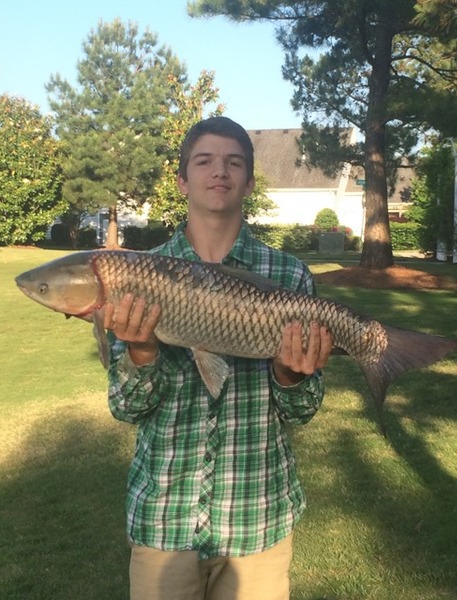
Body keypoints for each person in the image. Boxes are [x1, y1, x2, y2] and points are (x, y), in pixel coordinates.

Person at [103, 116, 333, 600]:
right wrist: (142, 350)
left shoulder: (289, 276)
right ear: (182, 180)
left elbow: (303, 411)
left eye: (234, 163)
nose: (219, 172)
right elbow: (126, 408)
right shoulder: (138, 275)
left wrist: (290, 374)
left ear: (249, 182)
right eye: (204, 161)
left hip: (258, 519)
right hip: (165, 518)